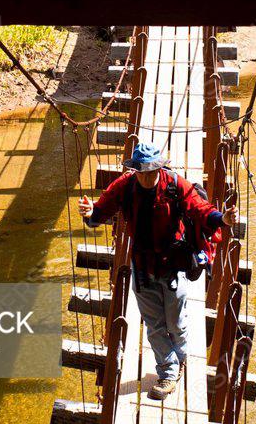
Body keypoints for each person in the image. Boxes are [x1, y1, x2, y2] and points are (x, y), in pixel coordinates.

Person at [78, 141, 238, 401]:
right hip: (142, 268)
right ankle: (168, 373)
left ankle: (182, 356)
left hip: (174, 267)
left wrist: (223, 219)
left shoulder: (175, 185)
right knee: (154, 325)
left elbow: (200, 210)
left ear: (159, 168)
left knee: (175, 323)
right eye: (141, 171)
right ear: (135, 170)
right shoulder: (125, 186)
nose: (147, 176)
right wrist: (90, 213)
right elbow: (100, 212)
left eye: (151, 171)